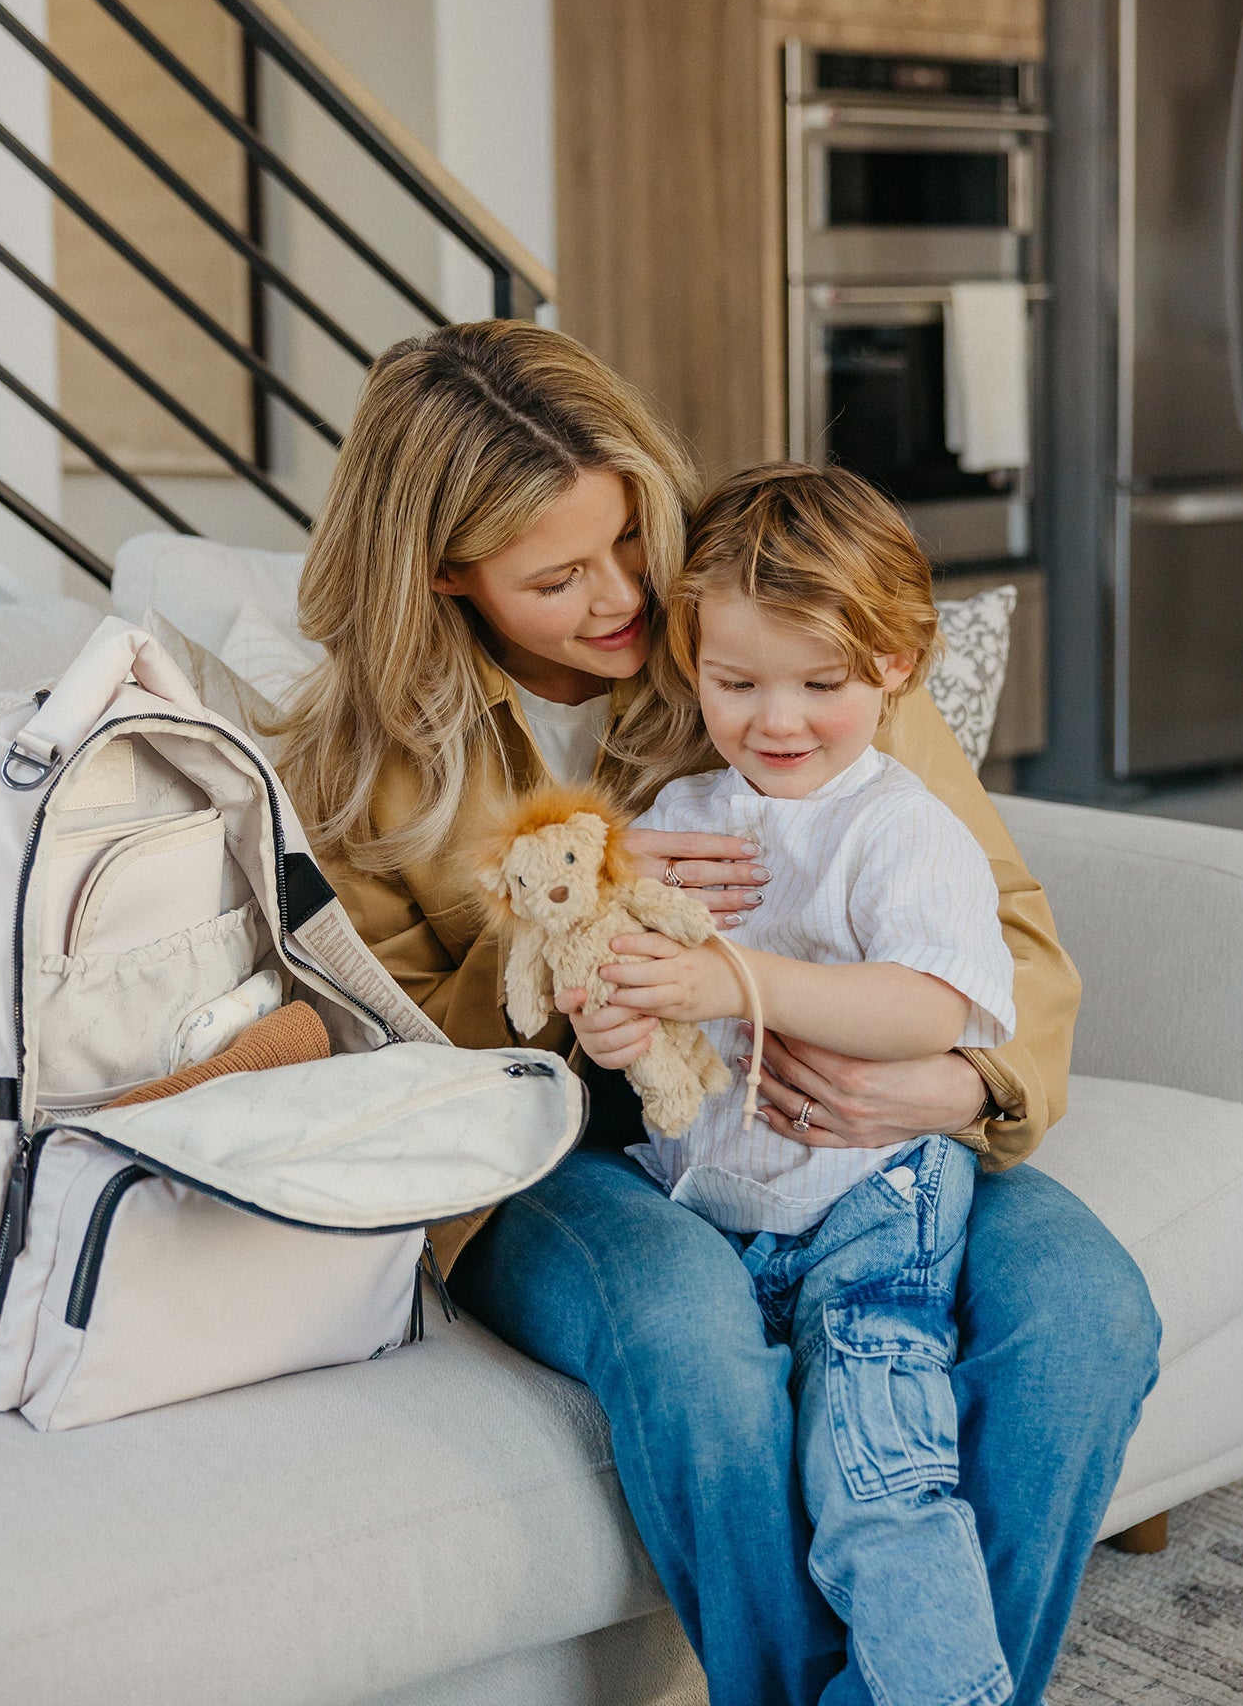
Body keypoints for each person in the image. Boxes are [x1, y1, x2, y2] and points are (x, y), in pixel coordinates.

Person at [276, 320, 1160, 1706]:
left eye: (630, 538)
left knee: (1085, 1312)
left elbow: (1011, 939)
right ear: (446, 579)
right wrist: (557, 921)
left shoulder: (780, 625)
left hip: (858, 1123)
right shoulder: (359, 772)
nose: (627, 596)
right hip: (568, 1156)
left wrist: (960, 1090)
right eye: (559, 578)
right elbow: (383, 1071)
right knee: (692, 1340)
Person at [611, 461, 1017, 1706]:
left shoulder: (900, 827)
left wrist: (737, 983)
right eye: (737, 682)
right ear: (691, 662)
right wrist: (621, 1010)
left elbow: (933, 1004)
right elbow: (655, 1046)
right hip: (720, 1210)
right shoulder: (684, 806)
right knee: (761, 1448)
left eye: (820, 683)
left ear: (896, 663)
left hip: (871, 1208)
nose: (777, 719)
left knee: (879, 1485)